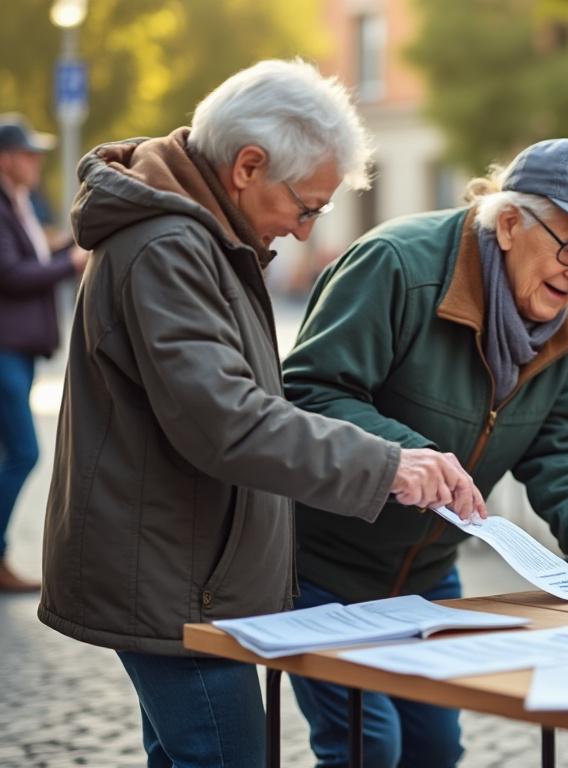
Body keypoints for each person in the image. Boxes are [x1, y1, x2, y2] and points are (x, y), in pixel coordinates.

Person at [39, 59, 482, 767]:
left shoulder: (202, 235)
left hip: (182, 564)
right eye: (306, 206)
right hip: (166, 570)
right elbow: (229, 420)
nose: (306, 231)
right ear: (248, 166)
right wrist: (388, 464)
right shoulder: (169, 245)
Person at [281, 137, 568, 767]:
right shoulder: (396, 263)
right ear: (508, 223)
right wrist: (407, 453)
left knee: (434, 751)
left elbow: (560, 444)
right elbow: (308, 392)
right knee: (368, 746)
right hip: (320, 564)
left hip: (426, 575)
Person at [0, 113, 87, 592]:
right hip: (5, 349)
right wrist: (71, 262)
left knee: (12, 453)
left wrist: (60, 254)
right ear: (6, 158)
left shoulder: (23, 203)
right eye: (28, 153)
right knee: (24, 453)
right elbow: (11, 274)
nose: (36, 162)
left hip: (20, 350)